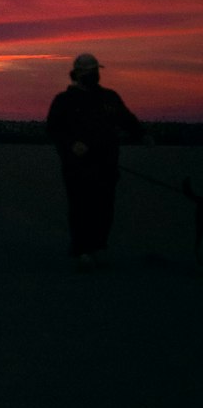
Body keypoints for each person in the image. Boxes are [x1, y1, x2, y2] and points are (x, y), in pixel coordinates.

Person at [47, 52, 145, 267]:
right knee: (81, 206)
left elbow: (127, 120)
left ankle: (97, 245)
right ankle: (82, 250)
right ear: (77, 73)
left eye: (95, 71)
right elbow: (53, 129)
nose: (92, 75)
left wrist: (143, 135)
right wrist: (72, 144)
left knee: (104, 206)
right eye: (88, 72)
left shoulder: (109, 97)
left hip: (107, 163)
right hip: (77, 166)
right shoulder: (64, 101)